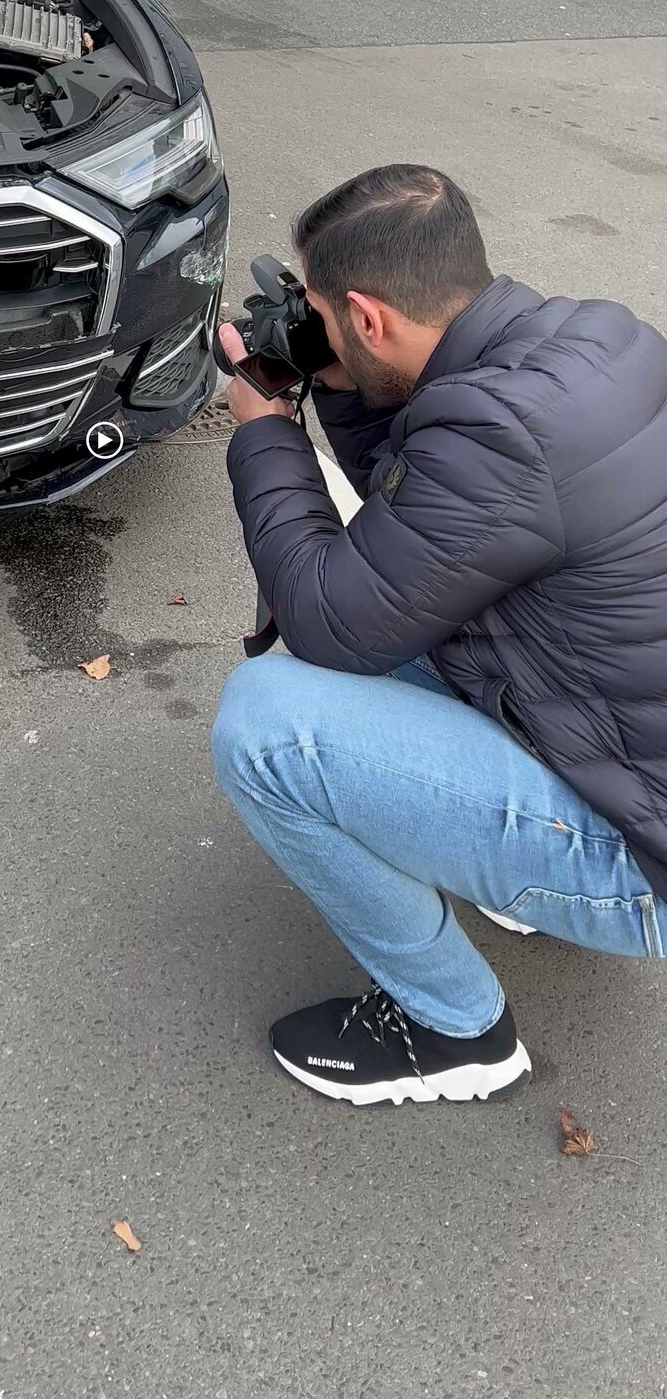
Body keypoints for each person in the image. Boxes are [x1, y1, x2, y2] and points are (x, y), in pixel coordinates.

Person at [213, 163, 667, 1108]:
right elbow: (419, 514)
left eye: (321, 317)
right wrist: (337, 376)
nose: (306, 327)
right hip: (622, 735)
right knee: (407, 628)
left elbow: (329, 618)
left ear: (370, 317)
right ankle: (509, 869)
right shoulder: (592, 338)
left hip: (642, 855)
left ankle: (450, 1029)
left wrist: (262, 427)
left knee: (269, 726)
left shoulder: (498, 430)